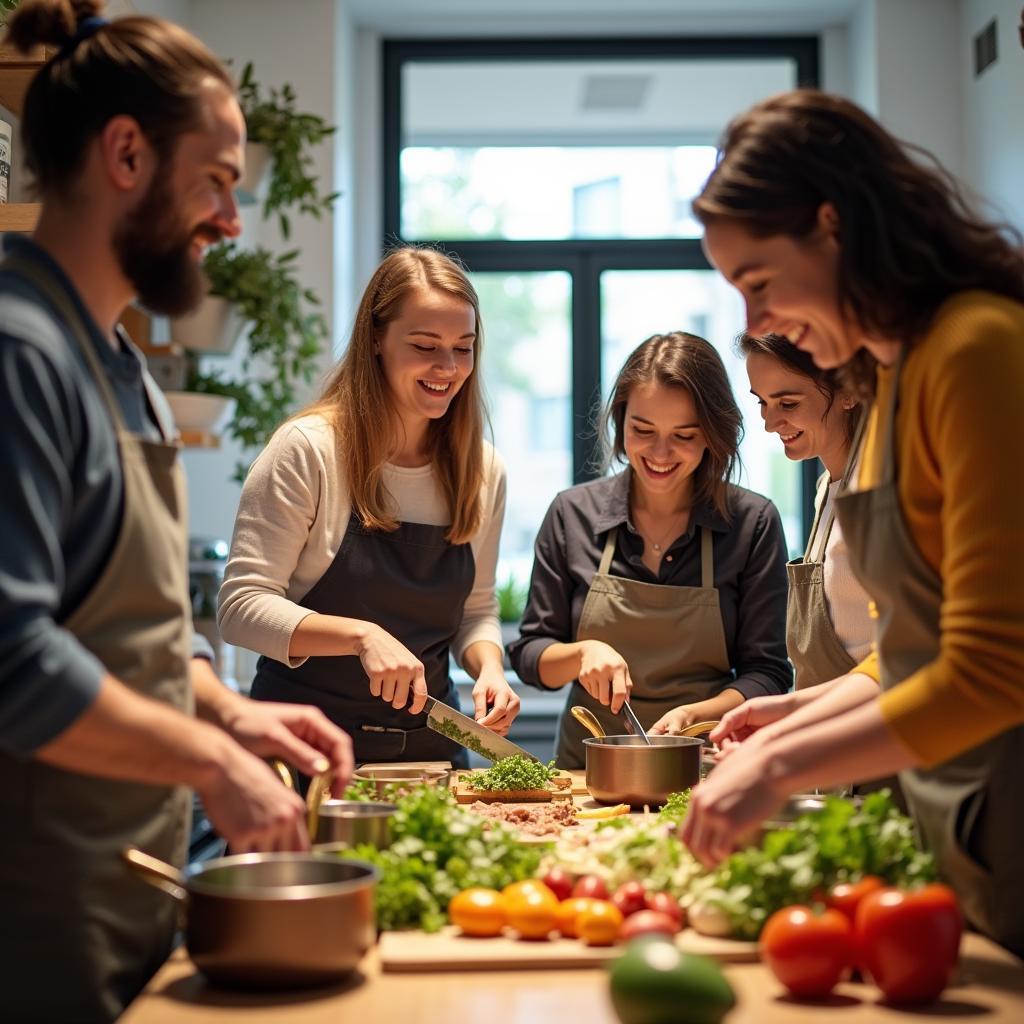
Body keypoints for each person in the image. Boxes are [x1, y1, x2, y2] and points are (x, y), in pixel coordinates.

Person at [0, 4, 354, 1020]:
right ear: (125, 154)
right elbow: (14, 657)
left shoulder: (123, 365)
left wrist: (231, 709)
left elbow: (125, 629)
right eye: (218, 178)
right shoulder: (22, 354)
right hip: (41, 914)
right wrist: (214, 759)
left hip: (132, 884)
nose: (231, 219)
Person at [679, 89, 1024, 957]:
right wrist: (796, 718)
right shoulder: (901, 373)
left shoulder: (976, 347)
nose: (757, 325)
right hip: (968, 828)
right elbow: (918, 646)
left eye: (758, 284)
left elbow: (995, 667)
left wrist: (780, 765)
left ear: (832, 226)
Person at [218, 247, 518, 767]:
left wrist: (488, 666)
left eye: (463, 348)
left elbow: (477, 609)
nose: (447, 368)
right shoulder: (308, 450)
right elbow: (240, 607)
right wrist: (360, 636)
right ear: (376, 340)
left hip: (430, 759)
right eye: (425, 345)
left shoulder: (481, 469)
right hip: (305, 757)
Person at [508, 332, 791, 768]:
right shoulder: (572, 514)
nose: (660, 453)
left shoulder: (752, 524)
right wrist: (582, 655)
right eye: (643, 430)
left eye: (684, 435)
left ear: (713, 436)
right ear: (621, 422)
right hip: (588, 773)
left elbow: (768, 673)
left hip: (704, 766)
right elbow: (531, 656)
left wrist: (696, 714)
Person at [742, 331, 869, 690]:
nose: (769, 423)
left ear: (847, 391)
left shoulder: (876, 496)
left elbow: (899, 661)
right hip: (829, 729)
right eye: (762, 403)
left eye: (788, 404)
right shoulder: (824, 490)